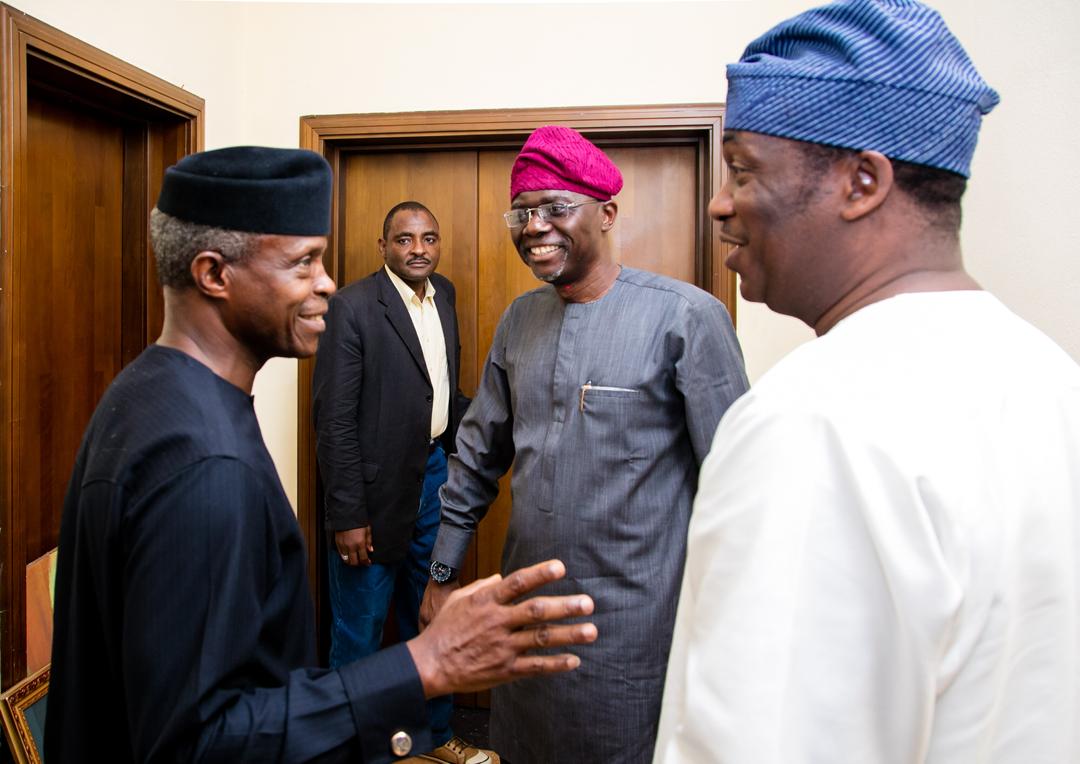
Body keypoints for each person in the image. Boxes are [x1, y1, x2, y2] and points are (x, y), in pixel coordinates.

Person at [45, 146, 597, 764]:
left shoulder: (148, 391)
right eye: (303, 263)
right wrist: (424, 663)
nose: (327, 283)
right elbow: (196, 744)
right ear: (214, 274)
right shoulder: (202, 468)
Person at [653, 1, 1080, 762]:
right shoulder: (1052, 379)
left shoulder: (810, 425)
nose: (720, 203)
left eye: (744, 170)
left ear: (862, 182)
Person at [420, 126, 749, 762]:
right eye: (523, 212)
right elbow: (477, 456)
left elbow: (739, 489)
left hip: (635, 626)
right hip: (529, 615)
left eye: (556, 207)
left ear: (606, 213)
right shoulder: (520, 319)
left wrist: (730, 625)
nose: (535, 226)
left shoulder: (686, 318)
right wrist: (441, 571)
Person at [312, 201, 489, 764]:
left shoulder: (447, 296)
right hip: (371, 495)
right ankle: (351, 751)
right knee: (360, 630)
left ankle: (436, 739)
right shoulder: (354, 307)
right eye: (406, 239)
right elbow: (334, 419)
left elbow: (440, 392)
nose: (419, 249)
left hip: (435, 476)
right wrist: (347, 515)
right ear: (383, 246)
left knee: (431, 617)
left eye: (429, 238)